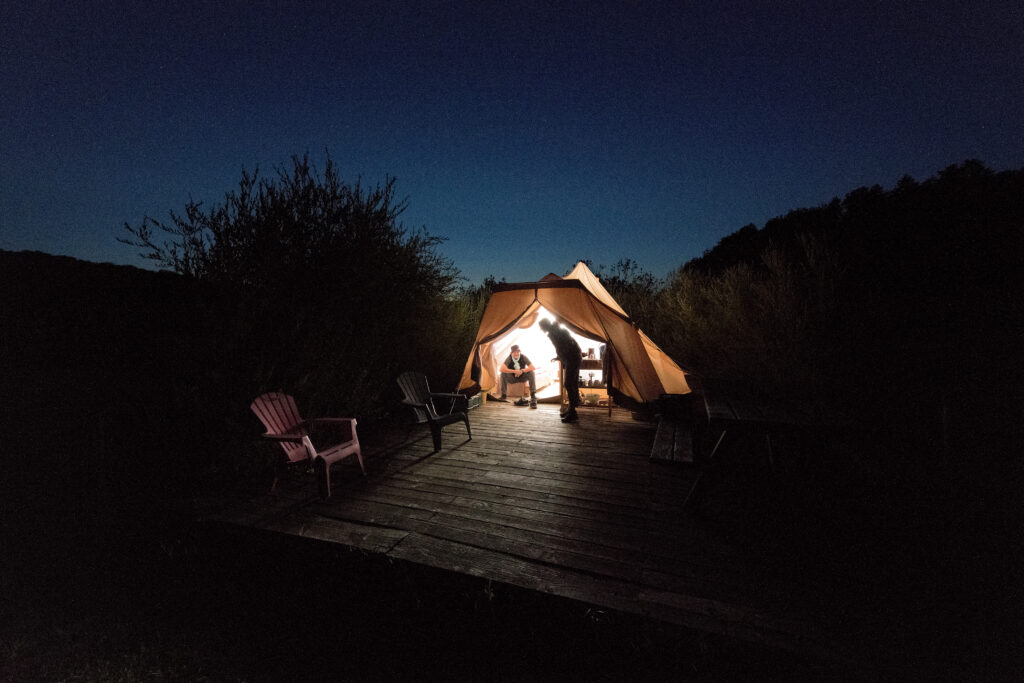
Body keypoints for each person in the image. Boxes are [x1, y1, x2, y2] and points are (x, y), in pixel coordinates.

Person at [539, 318, 582, 422]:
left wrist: (564, 356)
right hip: (572, 357)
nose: (541, 329)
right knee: (572, 384)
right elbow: (564, 346)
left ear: (545, 326)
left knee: (568, 384)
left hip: (572, 358)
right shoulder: (555, 330)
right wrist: (559, 357)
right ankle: (571, 409)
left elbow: (567, 345)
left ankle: (573, 413)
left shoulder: (555, 332)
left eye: (541, 327)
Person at [496, 344, 537, 408]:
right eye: (514, 352)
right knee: (503, 374)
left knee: (531, 373)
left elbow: (532, 367)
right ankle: (503, 395)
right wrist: (514, 371)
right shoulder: (509, 358)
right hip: (512, 378)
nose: (516, 353)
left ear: (519, 352)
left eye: (518, 352)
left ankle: (533, 394)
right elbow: (501, 369)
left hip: (522, 377)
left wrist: (521, 371)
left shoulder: (523, 357)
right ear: (511, 353)